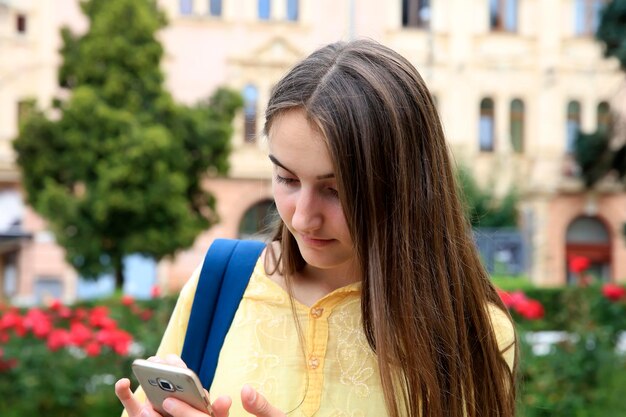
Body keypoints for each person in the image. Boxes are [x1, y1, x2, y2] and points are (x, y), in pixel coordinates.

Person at [116, 38, 517, 417]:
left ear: (406, 187)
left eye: (336, 191)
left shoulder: (470, 331)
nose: (303, 217)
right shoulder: (222, 281)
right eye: (287, 179)